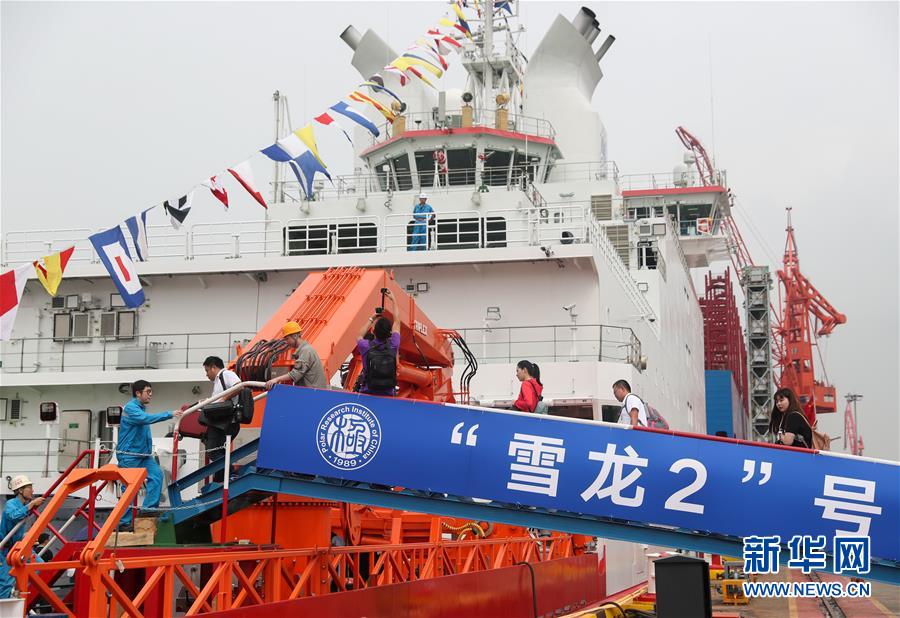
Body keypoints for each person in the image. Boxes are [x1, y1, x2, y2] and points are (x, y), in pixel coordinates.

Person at [117, 380, 183, 529]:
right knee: (130, 490)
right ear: (138, 393)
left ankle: (148, 510)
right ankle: (123, 523)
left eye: (151, 391)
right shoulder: (131, 408)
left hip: (143, 456)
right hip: (129, 456)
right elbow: (145, 419)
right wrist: (170, 414)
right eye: (148, 391)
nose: (151, 394)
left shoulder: (140, 408)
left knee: (157, 476)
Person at [1, 476, 45, 598]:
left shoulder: (24, 505)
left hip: (19, 547)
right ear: (20, 490)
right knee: (5, 583)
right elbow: (13, 516)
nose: (32, 491)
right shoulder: (11, 503)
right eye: (29, 488)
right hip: (6, 549)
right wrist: (31, 505)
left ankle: (18, 590)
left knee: (39, 566)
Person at [202, 356, 241, 483]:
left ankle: (231, 473)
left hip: (225, 422)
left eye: (207, 370)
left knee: (212, 451)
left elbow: (239, 386)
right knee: (218, 451)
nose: (207, 374)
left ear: (213, 367)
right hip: (220, 422)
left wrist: (224, 398)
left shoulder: (226, 374)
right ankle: (220, 479)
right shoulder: (218, 381)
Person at [356, 290, 400, 396]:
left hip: (367, 392)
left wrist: (372, 318)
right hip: (388, 394)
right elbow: (397, 322)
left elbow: (359, 335)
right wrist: (393, 300)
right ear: (390, 333)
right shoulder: (394, 344)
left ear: (372, 331)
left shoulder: (365, 346)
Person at [265, 322, 328, 390]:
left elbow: (296, 373)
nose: (286, 342)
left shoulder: (306, 351)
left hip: (312, 393)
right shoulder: (304, 350)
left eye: (287, 339)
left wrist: (276, 379)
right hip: (312, 392)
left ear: (295, 336)